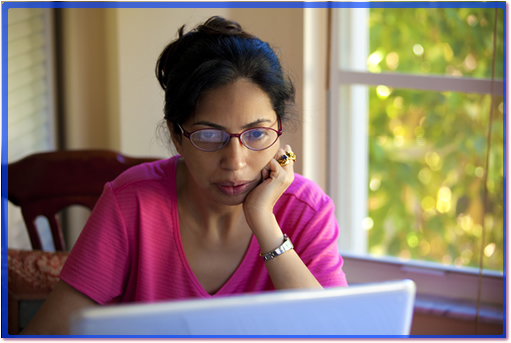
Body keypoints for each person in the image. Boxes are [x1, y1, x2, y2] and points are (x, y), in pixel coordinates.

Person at [20, 16, 348, 335]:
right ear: (177, 136)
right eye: (209, 135)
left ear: (278, 130)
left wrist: (264, 221)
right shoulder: (130, 203)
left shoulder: (307, 211)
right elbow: (46, 332)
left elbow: (336, 334)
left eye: (257, 134)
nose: (235, 162)